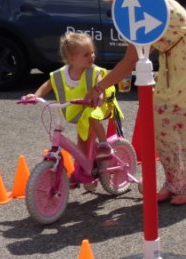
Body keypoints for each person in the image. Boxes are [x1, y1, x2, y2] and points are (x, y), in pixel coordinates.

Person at [85, 0, 186, 206]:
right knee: (162, 124)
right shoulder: (140, 0)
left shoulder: (140, 4)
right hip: (177, 60)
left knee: (185, 125)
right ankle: (174, 182)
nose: (106, 2)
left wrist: (99, 87)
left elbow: (130, 60)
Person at [24, 31, 119, 189]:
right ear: (71, 59)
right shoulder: (61, 74)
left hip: (99, 106)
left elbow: (100, 85)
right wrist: (35, 95)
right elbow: (48, 84)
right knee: (81, 143)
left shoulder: (94, 71)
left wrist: (100, 95)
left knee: (92, 118)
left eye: (92, 52)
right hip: (81, 110)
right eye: (86, 54)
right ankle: (82, 170)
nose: (92, 56)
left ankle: (104, 145)